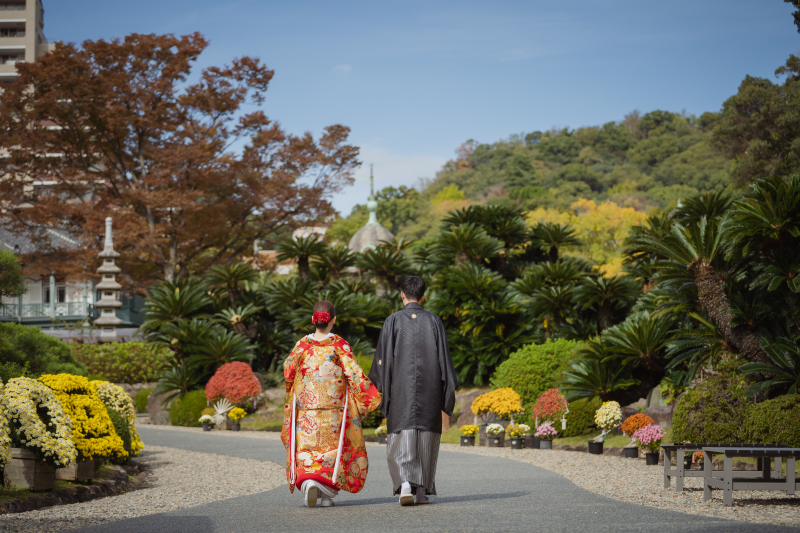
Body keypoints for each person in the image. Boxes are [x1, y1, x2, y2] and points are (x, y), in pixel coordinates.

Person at [281, 300, 381, 508]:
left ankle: (309, 482)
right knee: (331, 450)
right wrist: (370, 396)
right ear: (333, 320)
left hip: (307, 409)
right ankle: (326, 496)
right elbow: (353, 373)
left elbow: (288, 370)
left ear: (312, 320)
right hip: (333, 410)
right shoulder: (339, 344)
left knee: (308, 448)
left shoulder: (301, 345)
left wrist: (298, 388)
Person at [368, 275, 459, 506]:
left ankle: (405, 484)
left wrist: (380, 388)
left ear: (402, 295)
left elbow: (382, 360)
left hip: (400, 390)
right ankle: (421, 490)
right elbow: (444, 360)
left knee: (402, 435)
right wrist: (446, 388)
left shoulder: (393, 321)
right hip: (430, 390)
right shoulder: (434, 321)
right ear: (423, 296)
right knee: (426, 439)